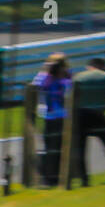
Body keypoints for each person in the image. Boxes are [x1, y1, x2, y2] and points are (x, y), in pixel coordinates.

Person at [73, 57, 105, 184]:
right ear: (102, 66)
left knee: (81, 148)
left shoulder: (78, 78)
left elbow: (72, 97)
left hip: (82, 115)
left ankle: (84, 179)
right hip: (98, 114)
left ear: (89, 67)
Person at [32, 53, 73, 186]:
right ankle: (51, 177)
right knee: (53, 147)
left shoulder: (64, 76)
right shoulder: (48, 77)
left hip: (58, 116)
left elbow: (71, 87)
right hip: (54, 116)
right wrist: (48, 72)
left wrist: (47, 71)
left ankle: (55, 177)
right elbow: (36, 86)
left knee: (56, 147)